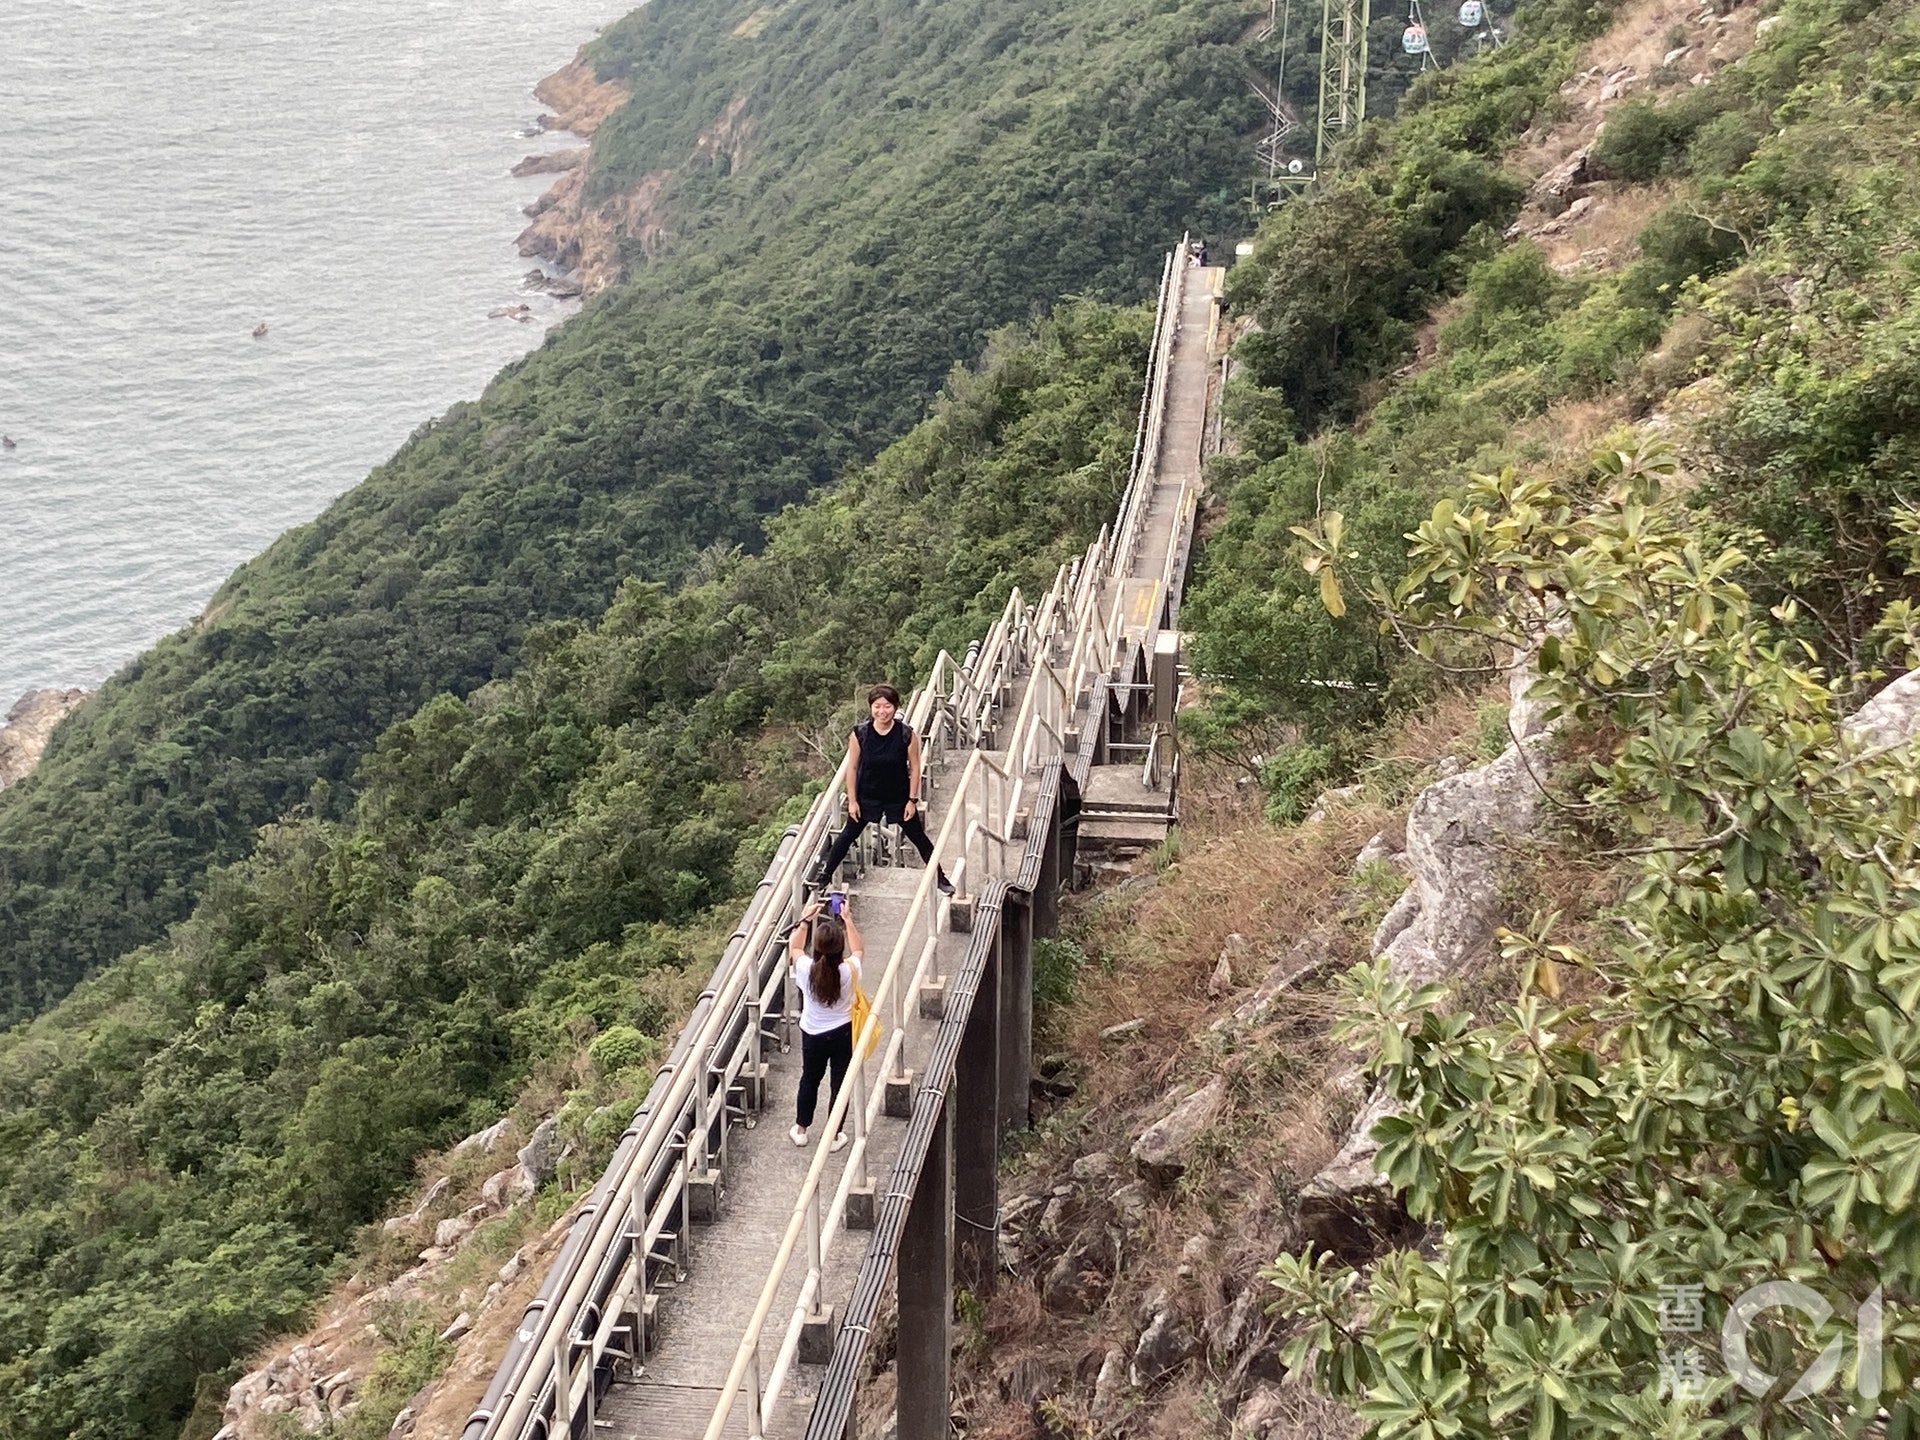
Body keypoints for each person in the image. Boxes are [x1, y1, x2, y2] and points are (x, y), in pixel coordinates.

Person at [813, 684, 954, 894]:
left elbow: (915, 768)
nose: (882, 711)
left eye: (887, 706)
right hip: (866, 795)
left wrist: (912, 800)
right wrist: (852, 800)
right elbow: (851, 768)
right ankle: (824, 876)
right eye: (877, 706)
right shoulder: (860, 733)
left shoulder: (906, 734)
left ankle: (940, 878)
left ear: (895, 707)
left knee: (918, 837)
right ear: (871, 708)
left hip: (898, 795)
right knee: (847, 835)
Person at [789, 897, 863, 1150]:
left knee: (810, 1078)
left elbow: (795, 949)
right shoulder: (849, 971)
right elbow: (859, 951)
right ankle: (833, 1136)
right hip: (843, 1032)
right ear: (840, 948)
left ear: (817, 948)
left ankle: (801, 1130)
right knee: (839, 1083)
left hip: (813, 1034)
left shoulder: (807, 969)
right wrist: (847, 920)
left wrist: (805, 921)